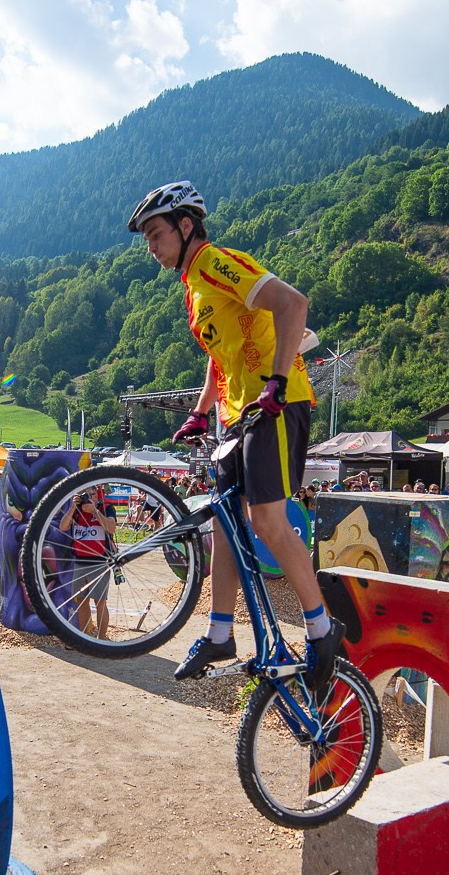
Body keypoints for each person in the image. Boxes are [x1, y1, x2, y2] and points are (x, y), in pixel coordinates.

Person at [130, 179, 339, 692]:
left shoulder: (215, 262)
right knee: (226, 520)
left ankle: (321, 629)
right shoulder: (194, 286)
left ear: (185, 226)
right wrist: (201, 412)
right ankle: (220, 632)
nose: (151, 247)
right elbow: (220, 355)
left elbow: (293, 304)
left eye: (156, 235)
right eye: (147, 239)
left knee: (267, 520)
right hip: (238, 413)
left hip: (275, 405)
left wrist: (277, 381)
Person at [66, 486, 116, 638]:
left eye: (90, 495)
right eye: (84, 495)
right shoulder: (77, 511)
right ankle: (84, 637)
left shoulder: (106, 508)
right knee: (81, 601)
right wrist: (73, 507)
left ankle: (101, 640)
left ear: (96, 496)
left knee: (100, 601)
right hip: (80, 561)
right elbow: (63, 526)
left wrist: (95, 512)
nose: (87, 498)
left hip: (99, 562)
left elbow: (111, 528)